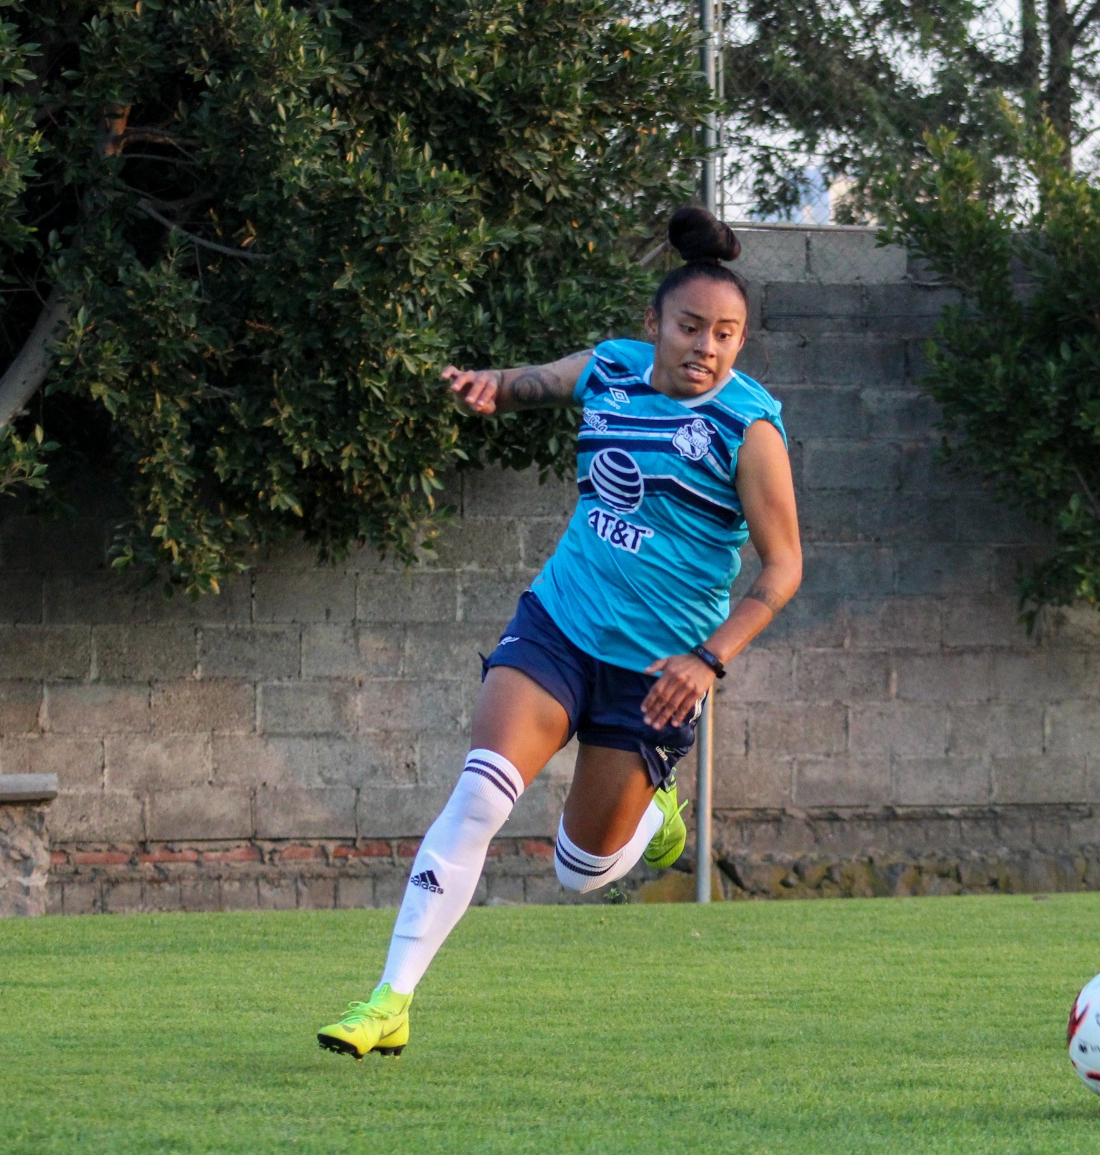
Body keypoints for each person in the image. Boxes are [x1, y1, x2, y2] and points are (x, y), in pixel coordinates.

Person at [317, 207, 801, 1058]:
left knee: (579, 870)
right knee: (477, 797)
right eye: (690, 327)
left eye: (728, 334)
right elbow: (530, 381)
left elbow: (782, 570)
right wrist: (487, 385)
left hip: (655, 672)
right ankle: (388, 1001)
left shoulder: (749, 429)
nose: (707, 348)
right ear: (653, 323)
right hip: (558, 626)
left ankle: (656, 819)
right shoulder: (613, 369)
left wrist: (708, 659)